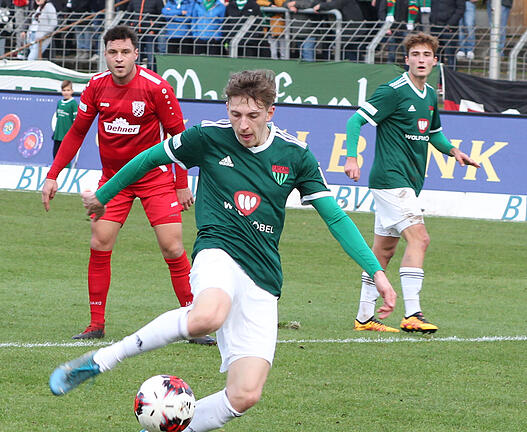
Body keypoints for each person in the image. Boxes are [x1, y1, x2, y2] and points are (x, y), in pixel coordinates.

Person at [48, 70, 397, 432]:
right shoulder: (208, 137)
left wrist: (377, 272)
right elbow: (146, 160)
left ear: (271, 112)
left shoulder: (296, 155)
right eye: (235, 114)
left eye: (252, 115)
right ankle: (100, 360)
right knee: (206, 317)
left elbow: (336, 219)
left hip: (263, 276)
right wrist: (103, 196)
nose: (243, 125)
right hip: (217, 250)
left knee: (245, 394)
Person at [41, 25, 215, 345]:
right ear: (104, 55)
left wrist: (181, 183)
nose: (119, 59)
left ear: (137, 54)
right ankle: (96, 324)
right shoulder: (95, 87)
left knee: (172, 245)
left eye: (125, 52)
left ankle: (193, 322)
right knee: (100, 242)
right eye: (112, 53)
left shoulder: (156, 88)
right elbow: (77, 132)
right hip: (113, 180)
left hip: (154, 177)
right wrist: (53, 174)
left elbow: (178, 137)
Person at [343, 32, 480, 333]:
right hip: (391, 180)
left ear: (435, 61)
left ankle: (364, 317)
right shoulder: (393, 91)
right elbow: (356, 121)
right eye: (415, 55)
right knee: (420, 238)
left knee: (383, 251)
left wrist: (454, 151)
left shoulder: (430, 94)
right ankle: (413, 313)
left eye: (426, 55)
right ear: (406, 60)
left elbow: (433, 134)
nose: (421, 60)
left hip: (409, 181)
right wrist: (351, 157)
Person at [428, 0, 464, 68]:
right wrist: (432, 21)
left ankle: (452, 76)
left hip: (450, 29)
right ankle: (437, 76)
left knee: (450, 55)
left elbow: (461, 8)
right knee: (436, 55)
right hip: (435, 27)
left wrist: (451, 24)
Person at [52, 80, 77, 159]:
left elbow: (75, 121)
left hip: (67, 136)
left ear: (72, 91)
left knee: (64, 158)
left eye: (68, 90)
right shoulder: (59, 103)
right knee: (55, 156)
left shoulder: (73, 103)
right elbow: (57, 119)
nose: (66, 92)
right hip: (57, 135)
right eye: (64, 90)